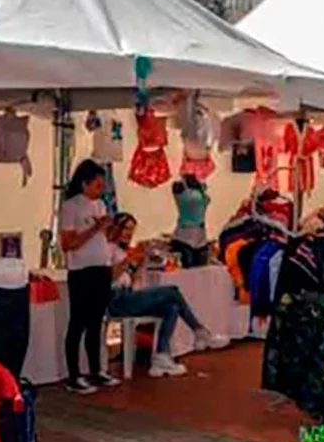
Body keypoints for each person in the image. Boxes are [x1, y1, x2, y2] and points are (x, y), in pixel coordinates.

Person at [106, 213, 215, 377]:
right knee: (172, 291)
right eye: (126, 229)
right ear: (117, 229)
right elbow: (109, 277)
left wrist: (139, 265)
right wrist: (129, 259)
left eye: (132, 230)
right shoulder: (108, 249)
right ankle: (198, 330)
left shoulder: (124, 251)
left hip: (127, 295)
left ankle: (161, 356)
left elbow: (133, 284)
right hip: (116, 299)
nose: (128, 234)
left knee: (170, 307)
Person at [59, 160, 118, 394]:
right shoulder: (71, 207)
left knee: (96, 322)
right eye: (97, 185)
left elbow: (105, 237)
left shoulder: (101, 205)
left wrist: (110, 228)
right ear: (84, 183)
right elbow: (68, 243)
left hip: (101, 268)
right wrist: (95, 229)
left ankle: (96, 369)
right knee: (78, 322)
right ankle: (74, 375)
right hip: (82, 271)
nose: (101, 190)